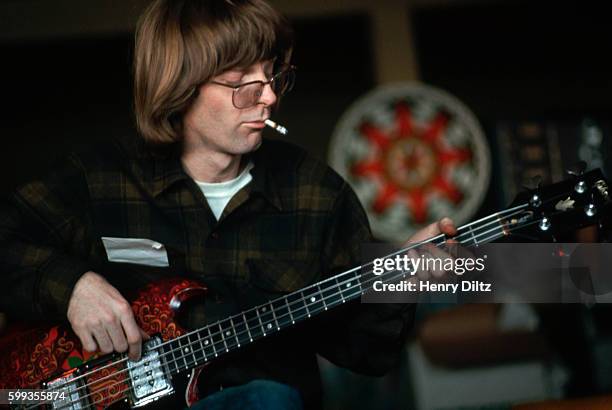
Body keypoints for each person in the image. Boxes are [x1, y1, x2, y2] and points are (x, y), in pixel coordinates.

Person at [0, 0, 456, 408]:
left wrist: (401, 282)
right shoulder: (97, 179)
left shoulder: (317, 194)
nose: (270, 98)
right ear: (180, 88)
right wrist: (74, 286)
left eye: (273, 76)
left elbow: (367, 354)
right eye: (242, 84)